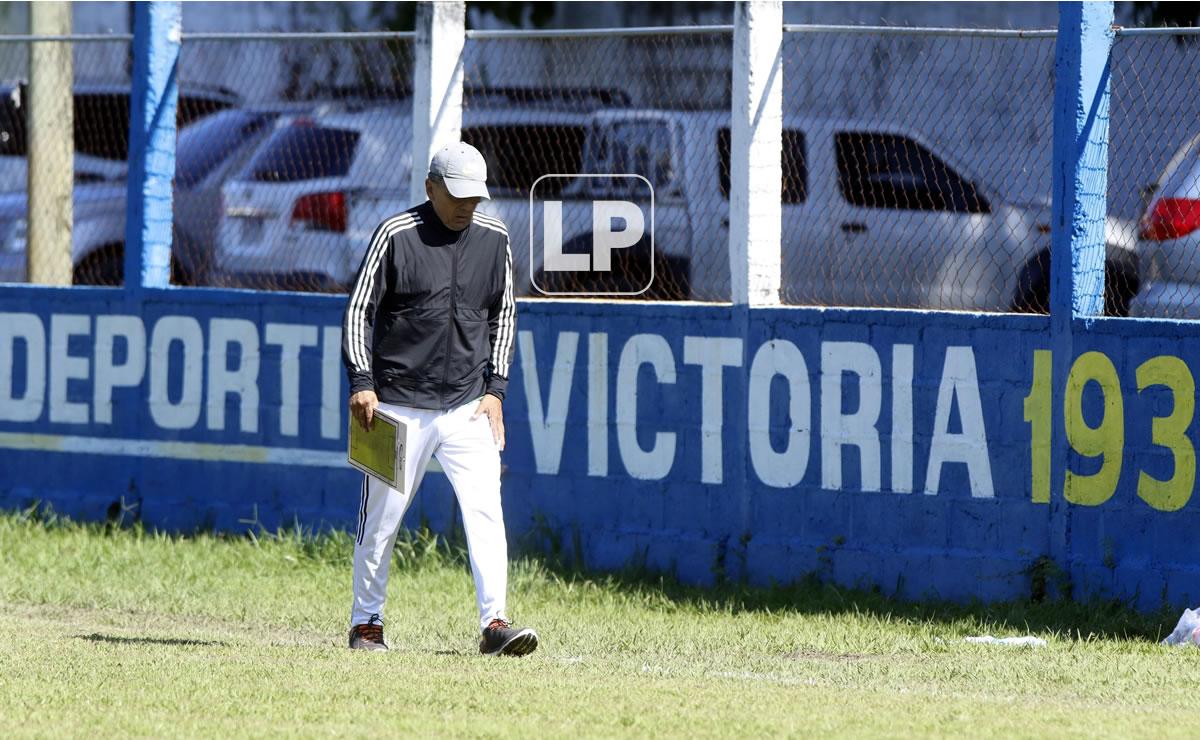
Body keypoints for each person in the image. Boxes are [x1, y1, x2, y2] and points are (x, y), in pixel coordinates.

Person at [341, 141, 536, 657]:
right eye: (456, 196)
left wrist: (496, 390)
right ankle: (366, 624)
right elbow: (360, 310)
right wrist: (362, 381)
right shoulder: (395, 235)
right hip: (396, 405)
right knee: (379, 523)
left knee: (486, 514)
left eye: (475, 197)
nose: (466, 206)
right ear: (430, 188)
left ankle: (495, 623)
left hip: (468, 406)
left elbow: (505, 316)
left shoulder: (495, 239)